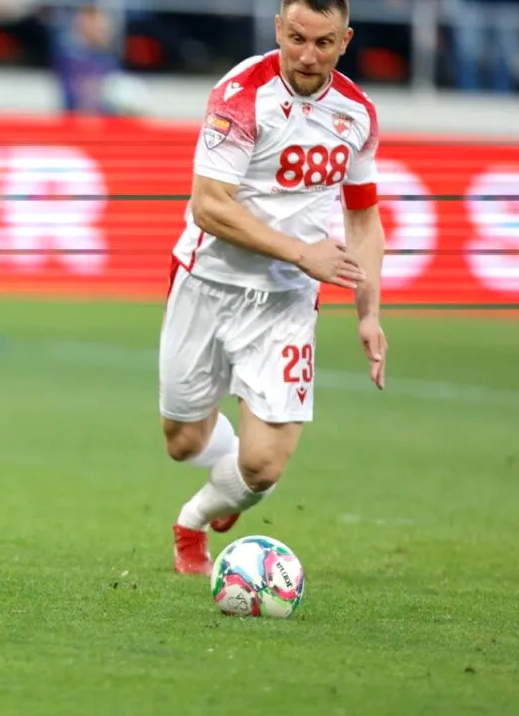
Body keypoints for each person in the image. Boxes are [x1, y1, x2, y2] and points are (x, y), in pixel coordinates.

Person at [159, 0, 388, 574]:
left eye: (324, 43)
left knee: (262, 468)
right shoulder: (241, 96)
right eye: (297, 39)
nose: (308, 56)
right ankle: (221, 465)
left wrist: (369, 312)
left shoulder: (356, 114)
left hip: (286, 301)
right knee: (182, 441)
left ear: (346, 40)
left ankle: (191, 523)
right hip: (207, 283)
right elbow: (209, 207)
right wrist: (301, 252)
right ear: (279, 29)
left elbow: (362, 218)